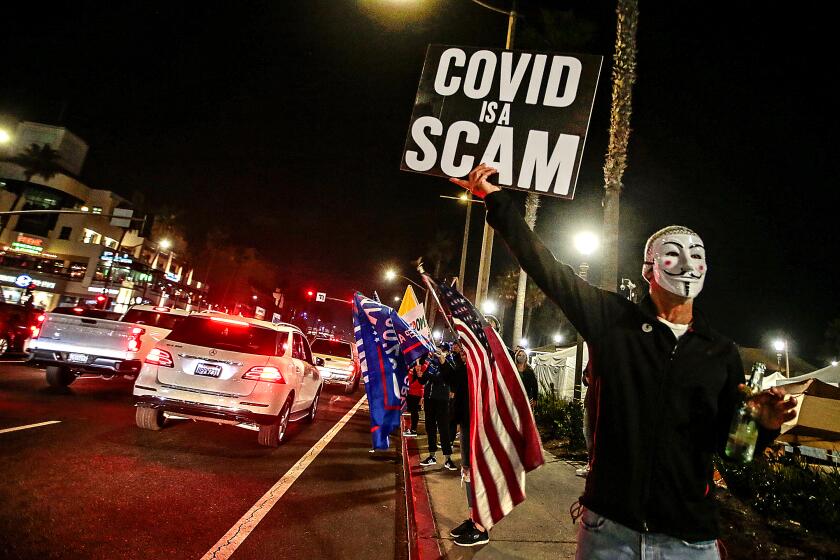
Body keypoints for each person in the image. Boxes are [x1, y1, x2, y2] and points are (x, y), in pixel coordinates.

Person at [451, 164, 797, 559]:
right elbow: (546, 268)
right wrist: (496, 201)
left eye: (696, 255)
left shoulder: (720, 351)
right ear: (648, 269)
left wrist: (762, 425)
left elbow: (734, 450)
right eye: (673, 254)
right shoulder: (611, 320)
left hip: (689, 540)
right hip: (608, 533)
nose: (687, 263)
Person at [446, 343, 491, 547]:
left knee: (477, 474)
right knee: (467, 472)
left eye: (465, 348)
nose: (461, 351)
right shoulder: (466, 366)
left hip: (478, 426)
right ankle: (473, 520)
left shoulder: (484, 366)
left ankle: (481, 529)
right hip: (466, 422)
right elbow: (454, 382)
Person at [419, 349, 457, 471]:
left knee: (443, 429)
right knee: (430, 428)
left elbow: (446, 378)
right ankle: (432, 456)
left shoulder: (449, 363)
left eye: (442, 351)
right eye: (438, 352)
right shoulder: (431, 363)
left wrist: (441, 362)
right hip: (429, 400)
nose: (439, 354)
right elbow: (424, 380)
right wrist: (420, 375)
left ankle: (448, 458)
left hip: (442, 400)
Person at [402, 359, 425, 437]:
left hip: (417, 394)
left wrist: (422, 397)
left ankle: (413, 430)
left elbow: (421, 383)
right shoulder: (412, 368)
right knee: (413, 412)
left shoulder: (423, 368)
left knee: (414, 412)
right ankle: (412, 429)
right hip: (411, 393)